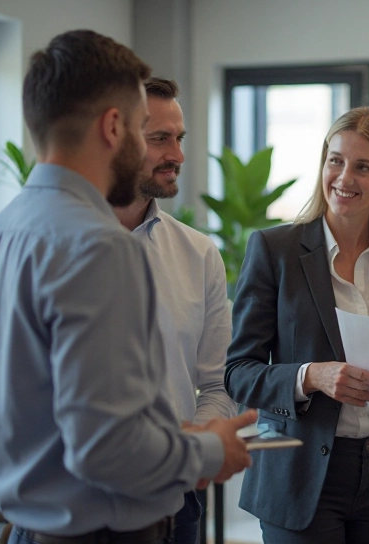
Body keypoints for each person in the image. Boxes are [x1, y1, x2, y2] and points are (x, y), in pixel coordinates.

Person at [0, 30, 256, 544]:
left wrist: (38, 482)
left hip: (28, 531)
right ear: (114, 127)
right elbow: (109, 448)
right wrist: (209, 451)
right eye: (142, 129)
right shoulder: (102, 247)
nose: (157, 148)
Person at [225, 107, 369, 544]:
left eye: (363, 166)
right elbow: (238, 374)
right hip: (301, 473)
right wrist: (310, 377)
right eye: (336, 160)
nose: (344, 178)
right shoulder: (275, 250)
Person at [112, 77, 234, 544]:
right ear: (115, 137)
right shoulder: (54, 250)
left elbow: (217, 384)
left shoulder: (199, 254)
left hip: (175, 503)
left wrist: (191, 449)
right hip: (75, 506)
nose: (177, 155)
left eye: (179, 138)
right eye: (160, 138)